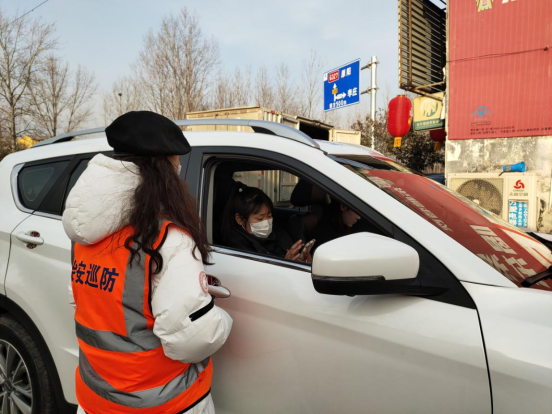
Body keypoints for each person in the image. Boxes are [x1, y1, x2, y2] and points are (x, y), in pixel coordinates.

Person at [63, 111, 232, 414]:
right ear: (163, 169)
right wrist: (222, 319)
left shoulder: (84, 238)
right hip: (163, 402)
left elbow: (87, 306)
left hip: (95, 398)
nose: (180, 169)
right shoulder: (167, 239)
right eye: (176, 162)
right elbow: (192, 339)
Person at [221, 186, 308, 262]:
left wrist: (304, 260)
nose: (266, 222)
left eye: (269, 216)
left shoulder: (278, 233)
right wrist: (287, 262)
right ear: (240, 219)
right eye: (259, 218)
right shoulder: (237, 248)